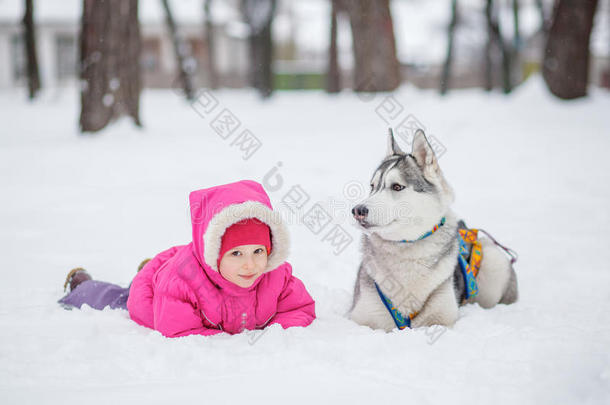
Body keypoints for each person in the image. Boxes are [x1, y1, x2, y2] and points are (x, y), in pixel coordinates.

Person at [58, 180, 316, 337]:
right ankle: (83, 284)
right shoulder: (183, 282)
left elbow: (299, 308)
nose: (250, 265)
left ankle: (147, 267)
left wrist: (276, 333)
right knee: (121, 299)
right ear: (214, 254)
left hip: (174, 266)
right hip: (155, 291)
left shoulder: (276, 276)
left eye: (258, 251)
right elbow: (178, 330)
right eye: (236, 253)